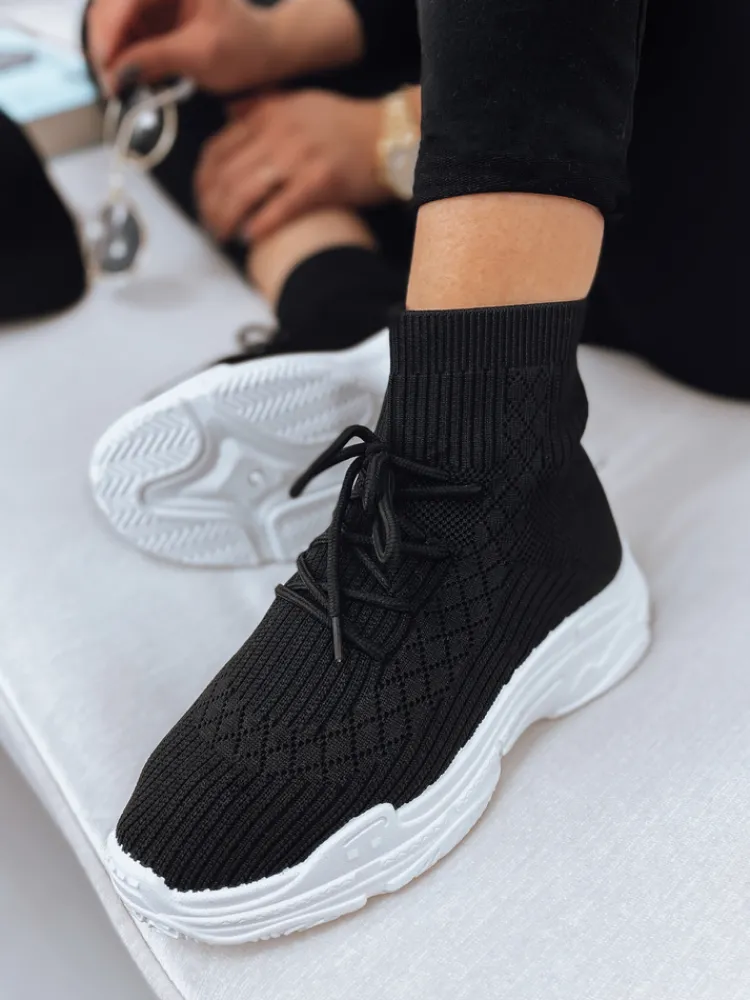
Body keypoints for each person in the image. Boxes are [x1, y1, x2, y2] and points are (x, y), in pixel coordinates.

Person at [90, 0, 732, 945]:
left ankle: (484, 453)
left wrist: (387, 135)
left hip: (704, 234)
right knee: (146, 63)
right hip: (533, 168)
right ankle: (338, 303)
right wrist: (291, 35)